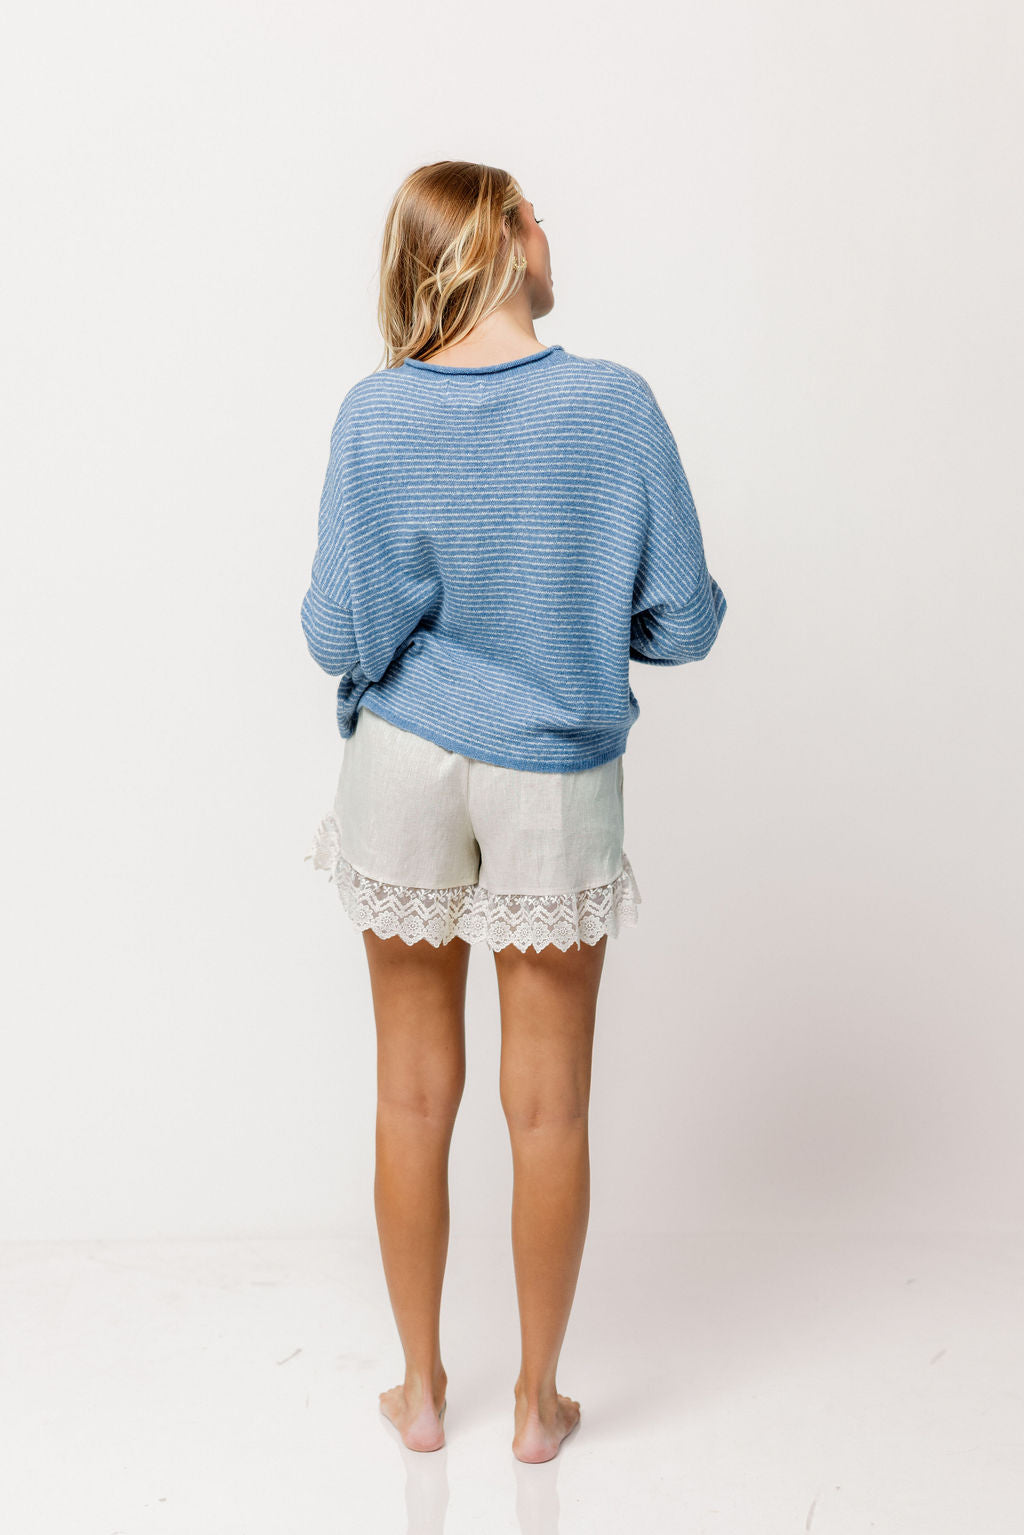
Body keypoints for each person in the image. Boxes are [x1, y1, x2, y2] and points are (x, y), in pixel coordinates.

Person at [300, 160, 728, 1463]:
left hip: (404, 760)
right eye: (536, 212)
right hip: (553, 766)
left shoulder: (377, 414)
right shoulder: (614, 406)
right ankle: (538, 1407)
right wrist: (576, 619)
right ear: (502, 238)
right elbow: (687, 622)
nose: (551, 229)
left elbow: (337, 635)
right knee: (549, 1109)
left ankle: (423, 1393)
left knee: (408, 1094)